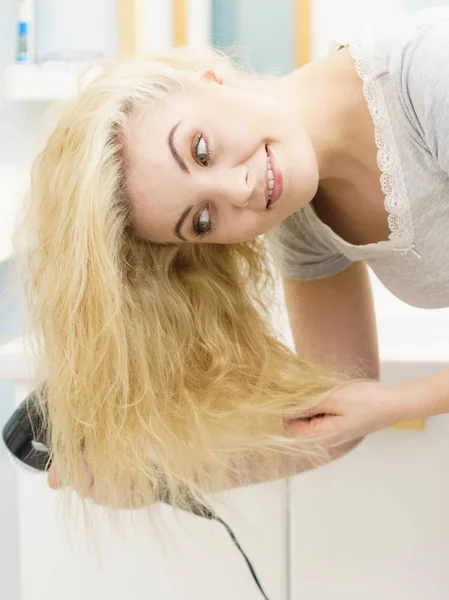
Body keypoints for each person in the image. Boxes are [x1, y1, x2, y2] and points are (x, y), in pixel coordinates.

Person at [20, 7, 449, 511]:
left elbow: (364, 407)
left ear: (206, 79)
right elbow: (334, 414)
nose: (239, 189)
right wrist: (156, 480)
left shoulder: (428, 72)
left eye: (200, 149)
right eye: (201, 220)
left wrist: (399, 404)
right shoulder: (298, 215)